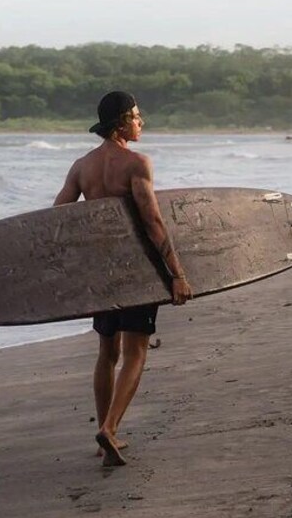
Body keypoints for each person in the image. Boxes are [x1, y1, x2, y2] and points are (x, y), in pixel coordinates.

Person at [53, 91, 193, 467]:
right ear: (120, 123)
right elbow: (153, 222)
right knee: (136, 352)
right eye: (135, 116)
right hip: (136, 272)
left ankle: (104, 435)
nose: (140, 121)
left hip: (102, 273)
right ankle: (110, 429)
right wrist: (177, 275)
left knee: (106, 353)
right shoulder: (136, 164)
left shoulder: (81, 167)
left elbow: (57, 218)